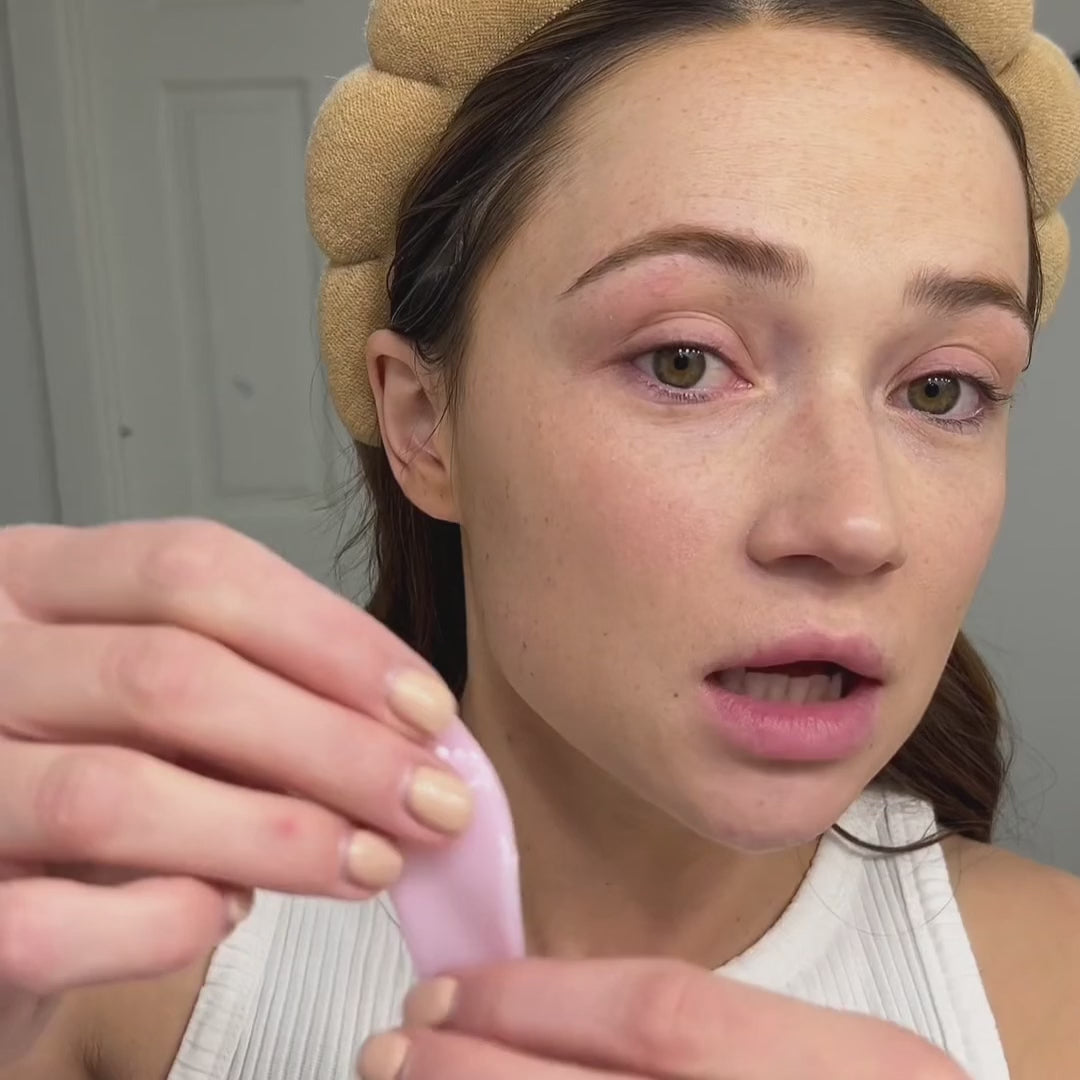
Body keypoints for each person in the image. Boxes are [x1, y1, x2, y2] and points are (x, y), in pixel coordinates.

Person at [2, 0, 1079, 1077]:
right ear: (424, 423)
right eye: (684, 361)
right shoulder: (115, 961)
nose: (855, 523)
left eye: (943, 389)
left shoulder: (1055, 997)